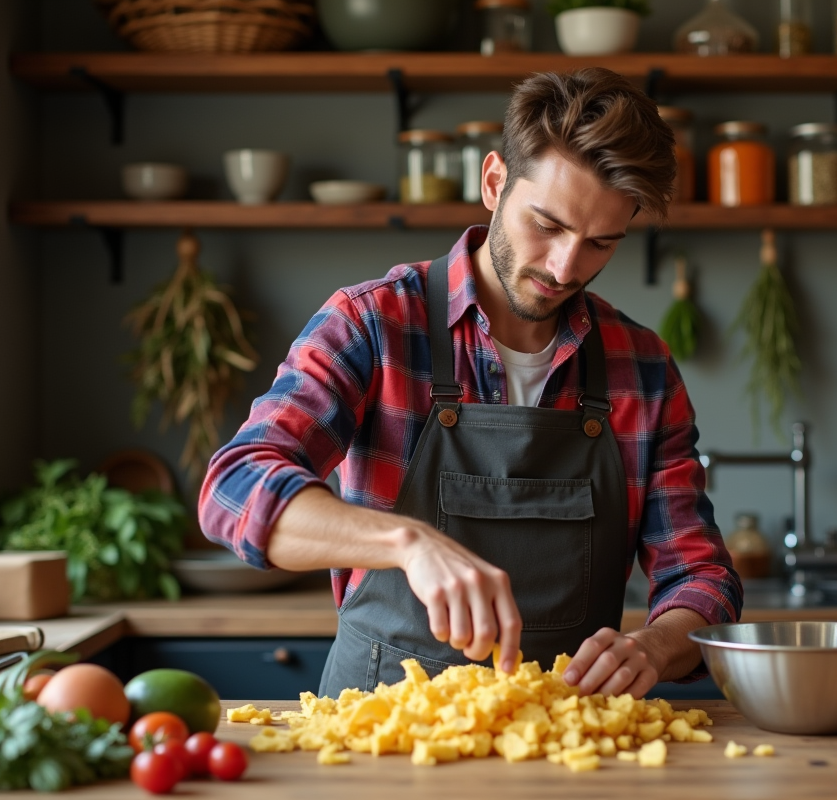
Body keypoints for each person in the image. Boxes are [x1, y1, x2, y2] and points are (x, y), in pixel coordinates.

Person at [199, 68, 742, 700]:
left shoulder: (641, 367)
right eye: (548, 225)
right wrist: (407, 542)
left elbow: (702, 579)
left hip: (565, 735)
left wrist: (655, 645)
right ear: (493, 183)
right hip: (381, 735)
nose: (566, 267)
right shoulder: (373, 323)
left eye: (600, 244)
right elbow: (234, 489)